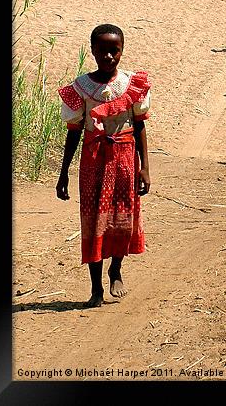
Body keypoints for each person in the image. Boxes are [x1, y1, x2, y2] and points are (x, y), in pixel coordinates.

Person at [56, 24, 151, 308]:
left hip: (125, 159)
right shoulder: (81, 88)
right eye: (103, 50)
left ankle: (116, 269)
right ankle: (95, 287)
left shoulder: (132, 84)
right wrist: (63, 173)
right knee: (93, 219)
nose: (109, 56)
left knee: (123, 217)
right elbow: (74, 131)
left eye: (115, 50)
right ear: (93, 50)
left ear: (122, 51)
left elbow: (140, 125)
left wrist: (145, 167)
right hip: (93, 160)